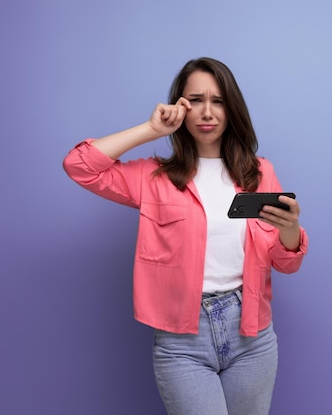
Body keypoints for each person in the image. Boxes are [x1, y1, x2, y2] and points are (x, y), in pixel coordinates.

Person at [63, 57, 308, 415]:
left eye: (218, 101)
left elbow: (286, 264)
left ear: (231, 108)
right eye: (195, 100)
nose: (207, 112)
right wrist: (151, 129)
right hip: (182, 342)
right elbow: (80, 165)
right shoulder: (153, 177)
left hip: (252, 335)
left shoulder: (260, 173)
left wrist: (290, 229)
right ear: (180, 107)